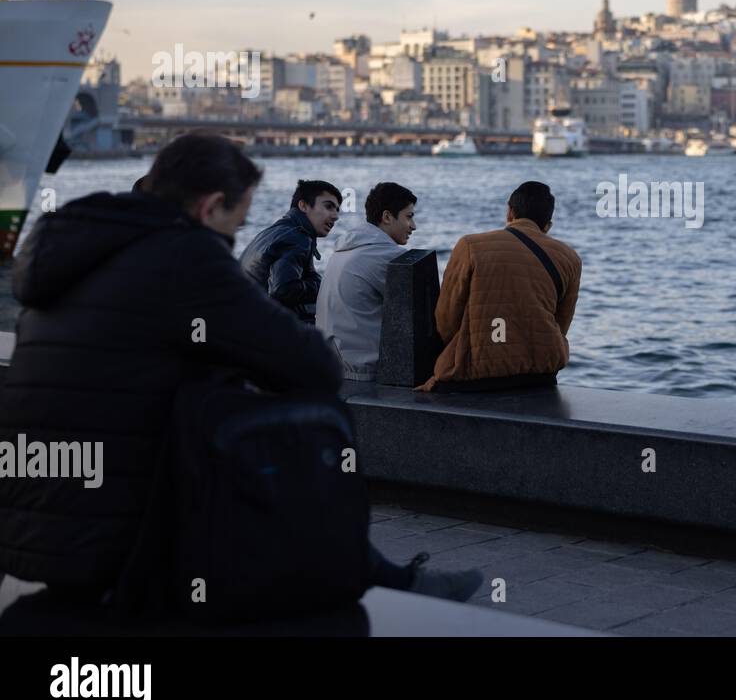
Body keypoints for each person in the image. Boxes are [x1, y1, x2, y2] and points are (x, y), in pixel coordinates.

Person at [0, 134, 480, 611]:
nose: (232, 238)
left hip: (28, 528)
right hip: (117, 538)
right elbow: (309, 363)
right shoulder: (183, 253)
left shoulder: (74, 252)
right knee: (307, 409)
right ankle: (362, 570)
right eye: (236, 222)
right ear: (210, 207)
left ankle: (358, 566)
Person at [418, 181, 580, 393]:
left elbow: (446, 318)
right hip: (540, 375)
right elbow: (561, 325)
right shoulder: (570, 258)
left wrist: (470, 343)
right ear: (548, 226)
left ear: (509, 212)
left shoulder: (470, 246)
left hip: (474, 374)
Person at [318, 182, 418, 382]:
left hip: (332, 360)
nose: (413, 226)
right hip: (363, 369)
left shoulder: (345, 249)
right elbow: (424, 308)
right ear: (387, 217)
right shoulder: (385, 255)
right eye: (409, 217)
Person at [239, 179, 341, 323]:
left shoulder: (272, 232)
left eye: (337, 210)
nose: (335, 216)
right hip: (263, 329)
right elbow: (284, 290)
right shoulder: (297, 237)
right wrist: (323, 285)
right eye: (328, 206)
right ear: (303, 206)